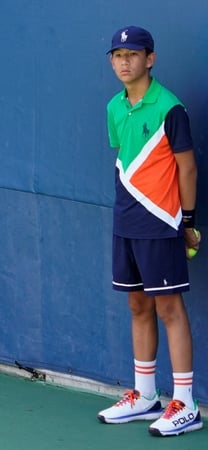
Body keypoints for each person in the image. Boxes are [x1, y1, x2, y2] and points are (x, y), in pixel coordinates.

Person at [96, 25, 202, 437]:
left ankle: (186, 404)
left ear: (150, 59)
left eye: (132, 55)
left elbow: (187, 168)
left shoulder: (170, 108)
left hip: (161, 223)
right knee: (138, 306)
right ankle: (145, 396)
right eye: (118, 56)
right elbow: (125, 160)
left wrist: (187, 221)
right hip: (126, 221)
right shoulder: (114, 107)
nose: (124, 62)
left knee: (168, 309)